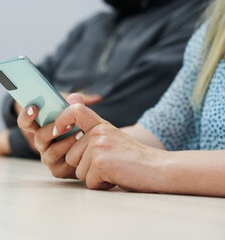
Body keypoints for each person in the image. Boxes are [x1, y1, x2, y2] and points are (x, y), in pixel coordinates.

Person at [0, 0, 208, 159]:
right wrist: (28, 108)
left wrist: (6, 142)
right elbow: (23, 86)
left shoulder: (196, 16)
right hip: (52, 163)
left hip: (105, 170)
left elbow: (128, 112)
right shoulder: (92, 25)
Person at [17, 0, 225, 197]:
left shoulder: (187, 15)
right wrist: (93, 150)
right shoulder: (213, 26)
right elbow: (162, 129)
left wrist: (153, 165)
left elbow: (122, 117)